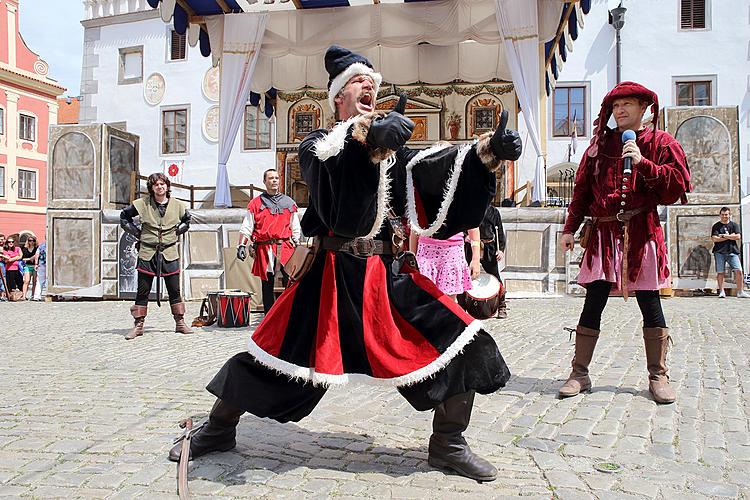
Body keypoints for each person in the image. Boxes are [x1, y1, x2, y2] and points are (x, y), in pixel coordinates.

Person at [168, 46, 522, 482]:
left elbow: (436, 170)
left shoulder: (395, 153)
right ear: (338, 97)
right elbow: (340, 208)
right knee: (274, 356)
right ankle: (219, 428)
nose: (368, 87)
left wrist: (485, 156)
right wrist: (368, 144)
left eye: (372, 83)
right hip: (331, 278)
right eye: (358, 82)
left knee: (461, 341)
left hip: (390, 278)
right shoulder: (318, 145)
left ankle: (448, 444)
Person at [559, 81, 691, 405]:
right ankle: (579, 373)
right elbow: (582, 193)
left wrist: (644, 163)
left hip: (641, 232)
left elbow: (677, 186)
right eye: (616, 106)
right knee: (594, 302)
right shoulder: (598, 148)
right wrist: (569, 229)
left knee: (650, 302)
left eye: (627, 104)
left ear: (643, 109)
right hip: (603, 236)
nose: (620, 110)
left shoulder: (660, 142)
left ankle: (658, 376)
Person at [120, 173, 192, 340]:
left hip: (169, 252)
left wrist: (177, 231)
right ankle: (138, 325)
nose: (160, 187)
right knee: (143, 290)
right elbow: (124, 217)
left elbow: (187, 221)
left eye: (162, 184)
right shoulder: (141, 204)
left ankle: (180, 322)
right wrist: (136, 232)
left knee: (174, 289)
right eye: (156, 185)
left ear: (167, 186)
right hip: (147, 252)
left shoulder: (178, 205)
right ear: (151, 188)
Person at [236, 169, 300, 313]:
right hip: (264, 250)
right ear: (264, 181)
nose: (274, 180)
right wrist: (241, 245)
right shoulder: (255, 203)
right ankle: (268, 318)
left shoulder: (289, 202)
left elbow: (295, 226)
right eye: (271, 178)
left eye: (277, 178)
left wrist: (296, 244)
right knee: (267, 285)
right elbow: (247, 226)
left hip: (285, 248)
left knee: (289, 283)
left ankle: (288, 316)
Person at [410, 227, 480, 301]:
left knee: (448, 303)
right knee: (424, 299)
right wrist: (411, 258)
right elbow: (414, 227)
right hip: (426, 254)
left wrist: (476, 259)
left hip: (452, 254)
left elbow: (473, 227)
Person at [465, 205, 508, 318]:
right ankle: (462, 307)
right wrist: (465, 236)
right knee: (465, 276)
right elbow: (461, 227)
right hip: (471, 247)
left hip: (489, 247)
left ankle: (502, 306)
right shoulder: (468, 209)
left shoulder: (493, 211)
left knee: (496, 277)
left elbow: (500, 233)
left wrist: (501, 250)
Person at [711, 207, 749, 298]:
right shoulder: (716, 226)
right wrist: (729, 236)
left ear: (729, 215)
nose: (725, 216)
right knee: (720, 272)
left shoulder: (734, 225)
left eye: (726, 214)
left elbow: (738, 237)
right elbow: (714, 239)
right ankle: (722, 291)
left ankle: (740, 292)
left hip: (732, 251)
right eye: (723, 214)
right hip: (719, 252)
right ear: (720, 215)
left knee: (739, 271)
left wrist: (723, 236)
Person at [21, 234, 39, 300]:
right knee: (26, 281)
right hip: (28, 266)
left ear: (35, 241)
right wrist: (30, 258)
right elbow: (22, 258)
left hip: (35, 266)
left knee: (35, 281)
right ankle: (23, 296)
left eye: (33, 240)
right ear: (28, 241)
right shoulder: (25, 249)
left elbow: (38, 256)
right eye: (30, 240)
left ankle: (33, 295)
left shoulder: (37, 248)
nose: (31, 242)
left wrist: (34, 258)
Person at [0, 234, 7, 301]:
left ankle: (2, 295)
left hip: (3, 264)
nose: (2, 241)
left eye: (3, 239)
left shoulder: (5, 247)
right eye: (1, 239)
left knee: (3, 279)